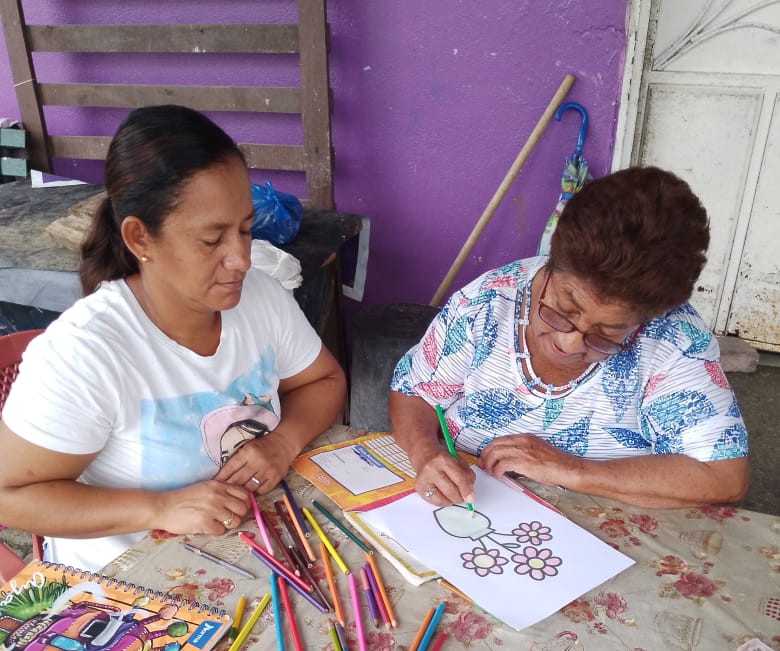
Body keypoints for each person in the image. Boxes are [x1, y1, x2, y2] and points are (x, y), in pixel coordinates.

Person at [0, 105, 346, 572]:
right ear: (140, 239)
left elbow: (323, 380)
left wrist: (283, 442)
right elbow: (10, 497)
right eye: (212, 240)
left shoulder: (260, 297)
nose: (241, 259)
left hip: (242, 552)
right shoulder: (86, 351)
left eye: (245, 230)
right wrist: (158, 508)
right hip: (127, 585)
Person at [389, 166, 749, 509]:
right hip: (470, 505)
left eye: (606, 335)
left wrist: (571, 470)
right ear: (550, 266)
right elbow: (414, 392)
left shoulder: (674, 339)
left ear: (646, 318)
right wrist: (425, 453)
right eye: (563, 311)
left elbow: (723, 476)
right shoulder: (486, 303)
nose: (570, 344)